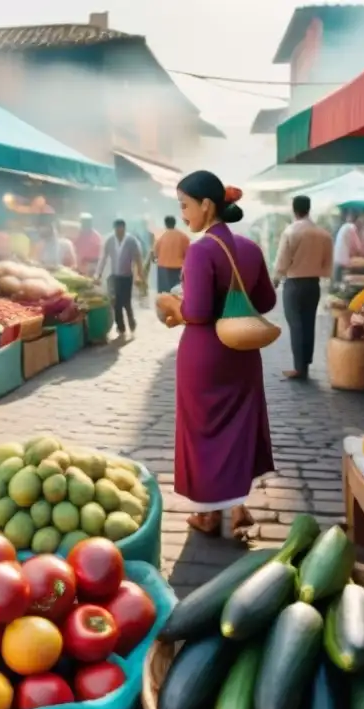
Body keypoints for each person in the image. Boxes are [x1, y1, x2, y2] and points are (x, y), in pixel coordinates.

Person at [157, 170, 275, 538]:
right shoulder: (252, 249)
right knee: (238, 428)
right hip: (241, 353)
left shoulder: (202, 250)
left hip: (204, 353)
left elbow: (198, 311)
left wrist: (173, 306)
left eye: (186, 205)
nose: (184, 214)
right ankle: (239, 505)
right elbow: (267, 300)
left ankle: (208, 516)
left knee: (203, 431)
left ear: (207, 205)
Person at [273, 195, 333, 381]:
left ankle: (299, 368)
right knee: (308, 323)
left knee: (296, 325)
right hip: (313, 284)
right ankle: (305, 364)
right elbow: (328, 261)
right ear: (309, 208)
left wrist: (275, 279)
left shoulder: (291, 232)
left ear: (294, 209)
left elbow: (282, 260)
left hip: (294, 283)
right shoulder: (323, 234)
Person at [95, 219, 143, 336]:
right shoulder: (110, 240)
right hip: (114, 276)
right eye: (117, 230)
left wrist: (139, 275)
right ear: (114, 229)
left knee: (126, 302)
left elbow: (138, 259)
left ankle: (131, 322)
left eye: (121, 229)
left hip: (127, 277)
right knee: (115, 302)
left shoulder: (131, 241)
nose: (119, 232)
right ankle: (120, 327)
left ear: (124, 229)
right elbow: (103, 258)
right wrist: (98, 274)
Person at [153, 215, 190, 294]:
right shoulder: (183, 237)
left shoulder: (161, 237)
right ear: (174, 223)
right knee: (177, 293)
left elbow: (155, 253)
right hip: (178, 268)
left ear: (165, 224)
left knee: (164, 294)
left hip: (162, 269)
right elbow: (189, 254)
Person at [333, 208, 364, 287]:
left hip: (338, 263)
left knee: (338, 287)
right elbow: (360, 249)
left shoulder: (345, 227)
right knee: (343, 287)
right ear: (358, 218)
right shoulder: (351, 228)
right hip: (345, 265)